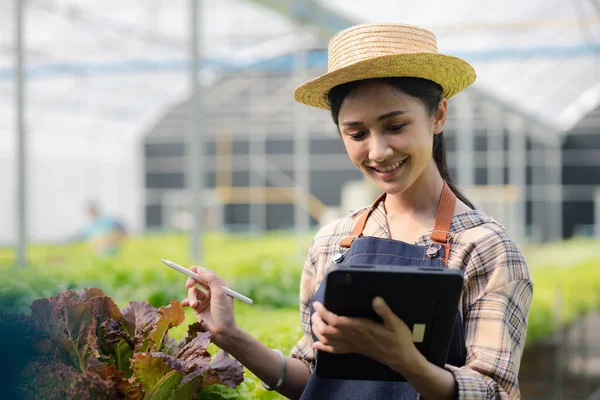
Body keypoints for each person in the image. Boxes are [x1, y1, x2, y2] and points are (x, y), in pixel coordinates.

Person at [182, 22, 533, 399]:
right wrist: (230, 336)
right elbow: (314, 378)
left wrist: (405, 360)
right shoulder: (333, 242)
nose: (378, 151)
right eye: (357, 133)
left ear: (438, 116)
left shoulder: (485, 247)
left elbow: (493, 391)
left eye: (395, 126)